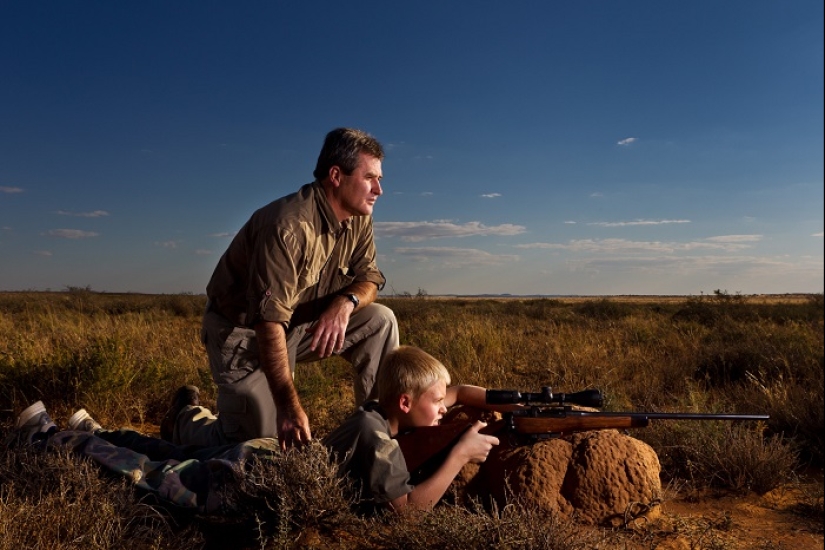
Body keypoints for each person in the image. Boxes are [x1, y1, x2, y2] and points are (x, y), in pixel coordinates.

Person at [6, 346, 503, 514]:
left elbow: (455, 391)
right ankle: (47, 437)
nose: (445, 408)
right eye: (436, 403)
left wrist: (508, 401)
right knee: (151, 474)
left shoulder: (379, 412)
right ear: (405, 402)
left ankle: (90, 429)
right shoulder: (378, 439)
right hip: (245, 482)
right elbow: (407, 515)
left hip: (264, 456)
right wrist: (459, 452)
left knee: (166, 449)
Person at [168, 127, 399, 452]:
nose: (379, 189)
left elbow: (370, 278)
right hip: (246, 335)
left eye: (380, 179)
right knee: (251, 448)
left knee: (381, 320)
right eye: (370, 178)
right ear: (336, 176)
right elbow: (268, 324)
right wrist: (289, 408)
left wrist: (345, 304)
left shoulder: (358, 216)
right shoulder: (288, 227)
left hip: (299, 325)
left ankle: (377, 439)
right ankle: (183, 417)